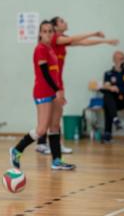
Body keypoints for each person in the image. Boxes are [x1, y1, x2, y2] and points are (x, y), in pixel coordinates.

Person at [36, 17, 119, 155]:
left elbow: (82, 42)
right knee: (47, 115)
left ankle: (55, 144)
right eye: (62, 21)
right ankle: (41, 143)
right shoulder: (55, 38)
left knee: (57, 114)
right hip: (49, 83)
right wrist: (94, 32)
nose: (66, 22)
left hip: (58, 81)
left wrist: (104, 41)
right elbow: (76, 37)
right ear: (55, 27)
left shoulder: (62, 40)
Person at [9, 20, 76, 171]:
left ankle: (57, 160)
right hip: (43, 92)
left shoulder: (51, 48)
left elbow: (55, 73)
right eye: (44, 31)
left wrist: (59, 91)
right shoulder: (40, 49)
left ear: (54, 33)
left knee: (54, 127)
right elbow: (45, 73)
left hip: (54, 92)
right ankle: (17, 150)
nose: (47, 34)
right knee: (41, 129)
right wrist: (57, 90)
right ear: (40, 33)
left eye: (50, 31)